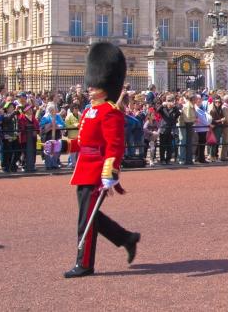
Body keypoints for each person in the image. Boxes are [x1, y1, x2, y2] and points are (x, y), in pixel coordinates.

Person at [56, 42, 140, 278]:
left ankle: (84, 264)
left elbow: (114, 145)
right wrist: (61, 145)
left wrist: (110, 171)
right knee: (90, 215)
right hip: (83, 169)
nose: (90, 88)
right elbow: (83, 143)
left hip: (98, 172)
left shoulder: (110, 112)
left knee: (86, 220)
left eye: (95, 85)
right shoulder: (88, 111)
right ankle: (126, 238)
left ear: (105, 86)